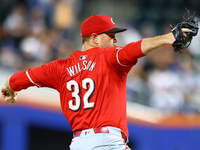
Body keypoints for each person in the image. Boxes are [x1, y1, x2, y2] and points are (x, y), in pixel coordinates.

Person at [1, 15, 189, 150]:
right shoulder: (108, 58)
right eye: (111, 35)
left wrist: (10, 88)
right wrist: (168, 38)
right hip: (108, 141)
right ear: (95, 38)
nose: (115, 39)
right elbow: (134, 49)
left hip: (78, 144)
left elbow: (22, 77)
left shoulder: (58, 68)